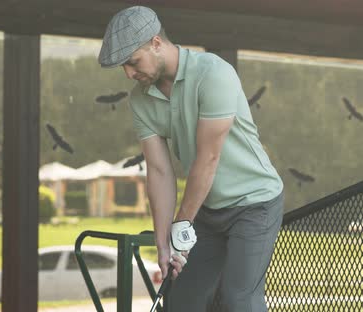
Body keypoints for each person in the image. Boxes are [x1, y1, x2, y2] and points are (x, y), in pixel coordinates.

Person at [98, 6, 284, 311]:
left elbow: (208, 158)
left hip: (255, 204)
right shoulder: (140, 99)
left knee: (239, 300)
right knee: (182, 300)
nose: (129, 73)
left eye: (133, 62)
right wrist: (163, 243)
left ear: (156, 43)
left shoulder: (214, 73)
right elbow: (159, 170)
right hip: (207, 208)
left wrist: (181, 224)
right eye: (124, 67)